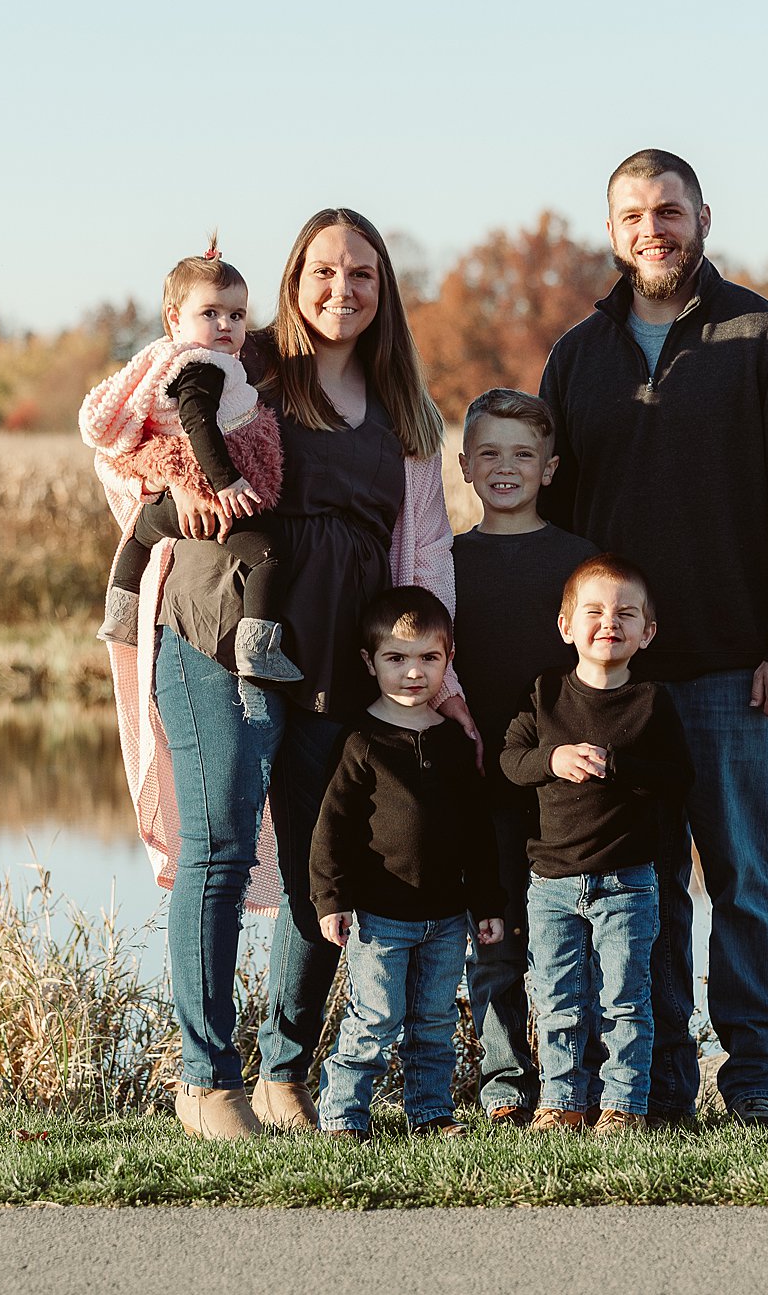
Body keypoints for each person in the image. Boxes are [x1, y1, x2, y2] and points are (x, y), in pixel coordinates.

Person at [94, 208, 470, 1139]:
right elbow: (121, 435)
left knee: (324, 865)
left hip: (341, 648)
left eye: (364, 276)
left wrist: (435, 669)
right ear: (295, 282)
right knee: (219, 841)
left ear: (385, 294)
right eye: (324, 273)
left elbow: (420, 550)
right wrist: (171, 483)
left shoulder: (404, 414)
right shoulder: (241, 363)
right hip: (219, 625)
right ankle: (203, 1077)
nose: (343, 291)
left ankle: (283, 1071)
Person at [538, 150, 768, 1128]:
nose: (650, 228)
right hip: (614, 678)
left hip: (729, 669)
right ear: (612, 228)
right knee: (641, 886)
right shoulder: (579, 353)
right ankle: (658, 1088)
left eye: (666, 210)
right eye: (631, 213)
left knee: (743, 879)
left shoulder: (762, 337)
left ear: (701, 215)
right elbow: (555, 511)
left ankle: (758, 1083)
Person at [501, 555, 692, 1133]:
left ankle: (623, 1106)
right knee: (558, 1001)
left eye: (625, 614)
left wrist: (619, 766)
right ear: (566, 626)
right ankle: (563, 1103)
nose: (609, 623)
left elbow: (680, 778)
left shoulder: (653, 703)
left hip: (628, 883)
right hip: (552, 884)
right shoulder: (542, 694)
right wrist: (552, 760)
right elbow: (510, 763)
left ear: (646, 633)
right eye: (594, 612)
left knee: (625, 1001)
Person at [311, 587, 506, 1140]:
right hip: (379, 916)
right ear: (369, 662)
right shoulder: (360, 740)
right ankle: (343, 1118)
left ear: (448, 660)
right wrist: (332, 900)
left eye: (429, 658)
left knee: (435, 1022)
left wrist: (487, 903)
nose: (413, 673)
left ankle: (430, 1113)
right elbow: (332, 830)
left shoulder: (453, 740)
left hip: (446, 917)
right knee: (374, 1020)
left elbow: (477, 832)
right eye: (396, 659)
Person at [450, 388, 596, 1125]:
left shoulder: (578, 562)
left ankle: (580, 1080)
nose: (505, 467)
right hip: (482, 789)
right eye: (490, 453)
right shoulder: (446, 562)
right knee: (495, 936)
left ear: (549, 468)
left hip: (565, 790)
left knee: (572, 937)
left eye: (522, 454)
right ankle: (505, 1080)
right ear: (466, 466)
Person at [78, 239, 298, 681]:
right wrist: (227, 482)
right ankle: (257, 644)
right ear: (174, 319)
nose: (225, 325)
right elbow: (200, 424)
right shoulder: (202, 366)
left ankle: (121, 613)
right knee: (271, 554)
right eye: (210, 313)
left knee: (140, 536)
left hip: (168, 504)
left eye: (236, 315)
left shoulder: (185, 361)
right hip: (204, 492)